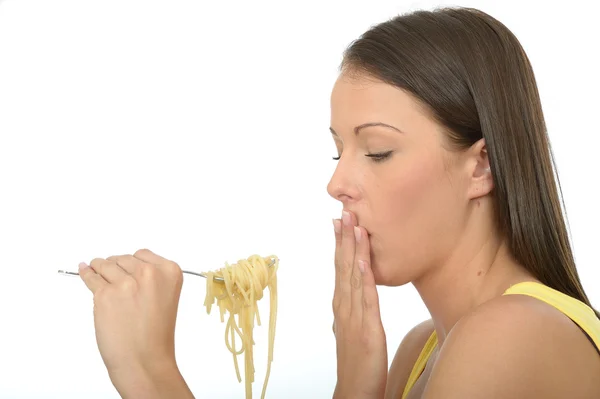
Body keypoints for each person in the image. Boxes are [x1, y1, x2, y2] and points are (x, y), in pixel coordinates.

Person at [77, 6, 600, 399]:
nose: (338, 184)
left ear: (481, 167)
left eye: (378, 151)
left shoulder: (510, 334)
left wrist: (147, 371)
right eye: (337, 152)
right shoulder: (422, 349)